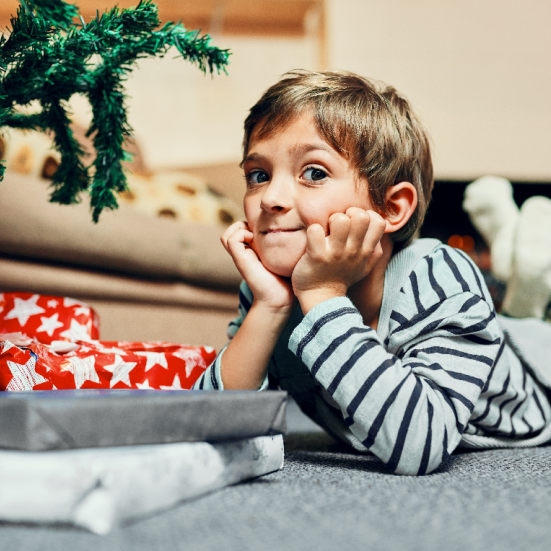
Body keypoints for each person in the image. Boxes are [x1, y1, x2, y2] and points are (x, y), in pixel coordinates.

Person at [193, 70, 551, 475]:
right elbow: (208, 428)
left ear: (391, 208)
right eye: (258, 175)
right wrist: (270, 307)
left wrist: (323, 295)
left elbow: (421, 445)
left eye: (314, 173)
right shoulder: (266, 288)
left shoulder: (438, 276)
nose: (270, 198)